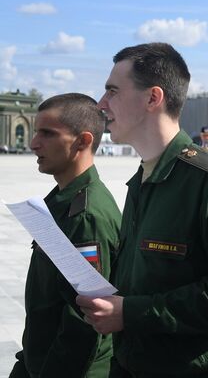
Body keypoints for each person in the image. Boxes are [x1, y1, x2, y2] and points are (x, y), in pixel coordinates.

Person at [76, 42, 208, 377]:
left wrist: (130, 313)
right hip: (132, 362)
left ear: (152, 98)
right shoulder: (143, 179)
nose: (102, 104)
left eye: (112, 91)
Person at [11, 93, 121, 378]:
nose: (35, 143)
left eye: (47, 134)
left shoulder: (86, 217)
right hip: (41, 362)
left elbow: (82, 324)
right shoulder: (63, 202)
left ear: (83, 141)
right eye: (36, 132)